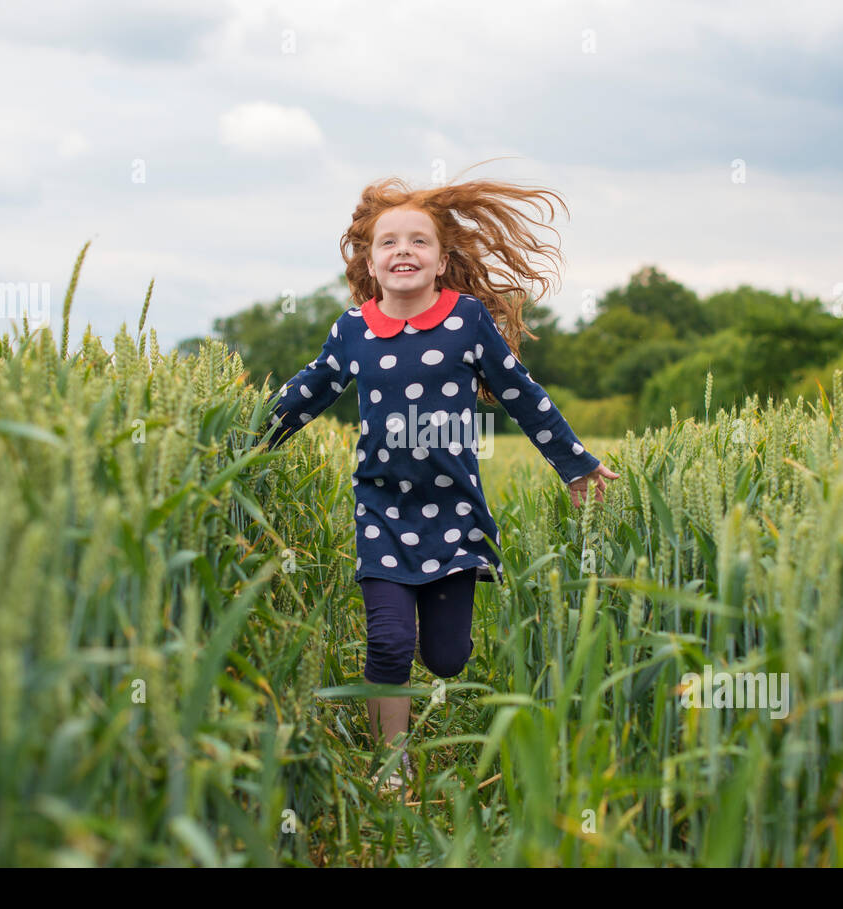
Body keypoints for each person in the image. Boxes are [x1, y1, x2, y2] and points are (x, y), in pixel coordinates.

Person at [264, 165, 619, 793]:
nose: (404, 251)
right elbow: (309, 392)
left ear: (440, 259)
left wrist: (576, 464)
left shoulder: (466, 320)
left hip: (455, 512)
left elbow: (523, 395)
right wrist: (242, 443)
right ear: (369, 264)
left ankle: (434, 671)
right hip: (382, 508)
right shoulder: (354, 330)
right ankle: (391, 766)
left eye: (418, 241)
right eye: (389, 243)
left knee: (446, 658)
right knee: (391, 644)